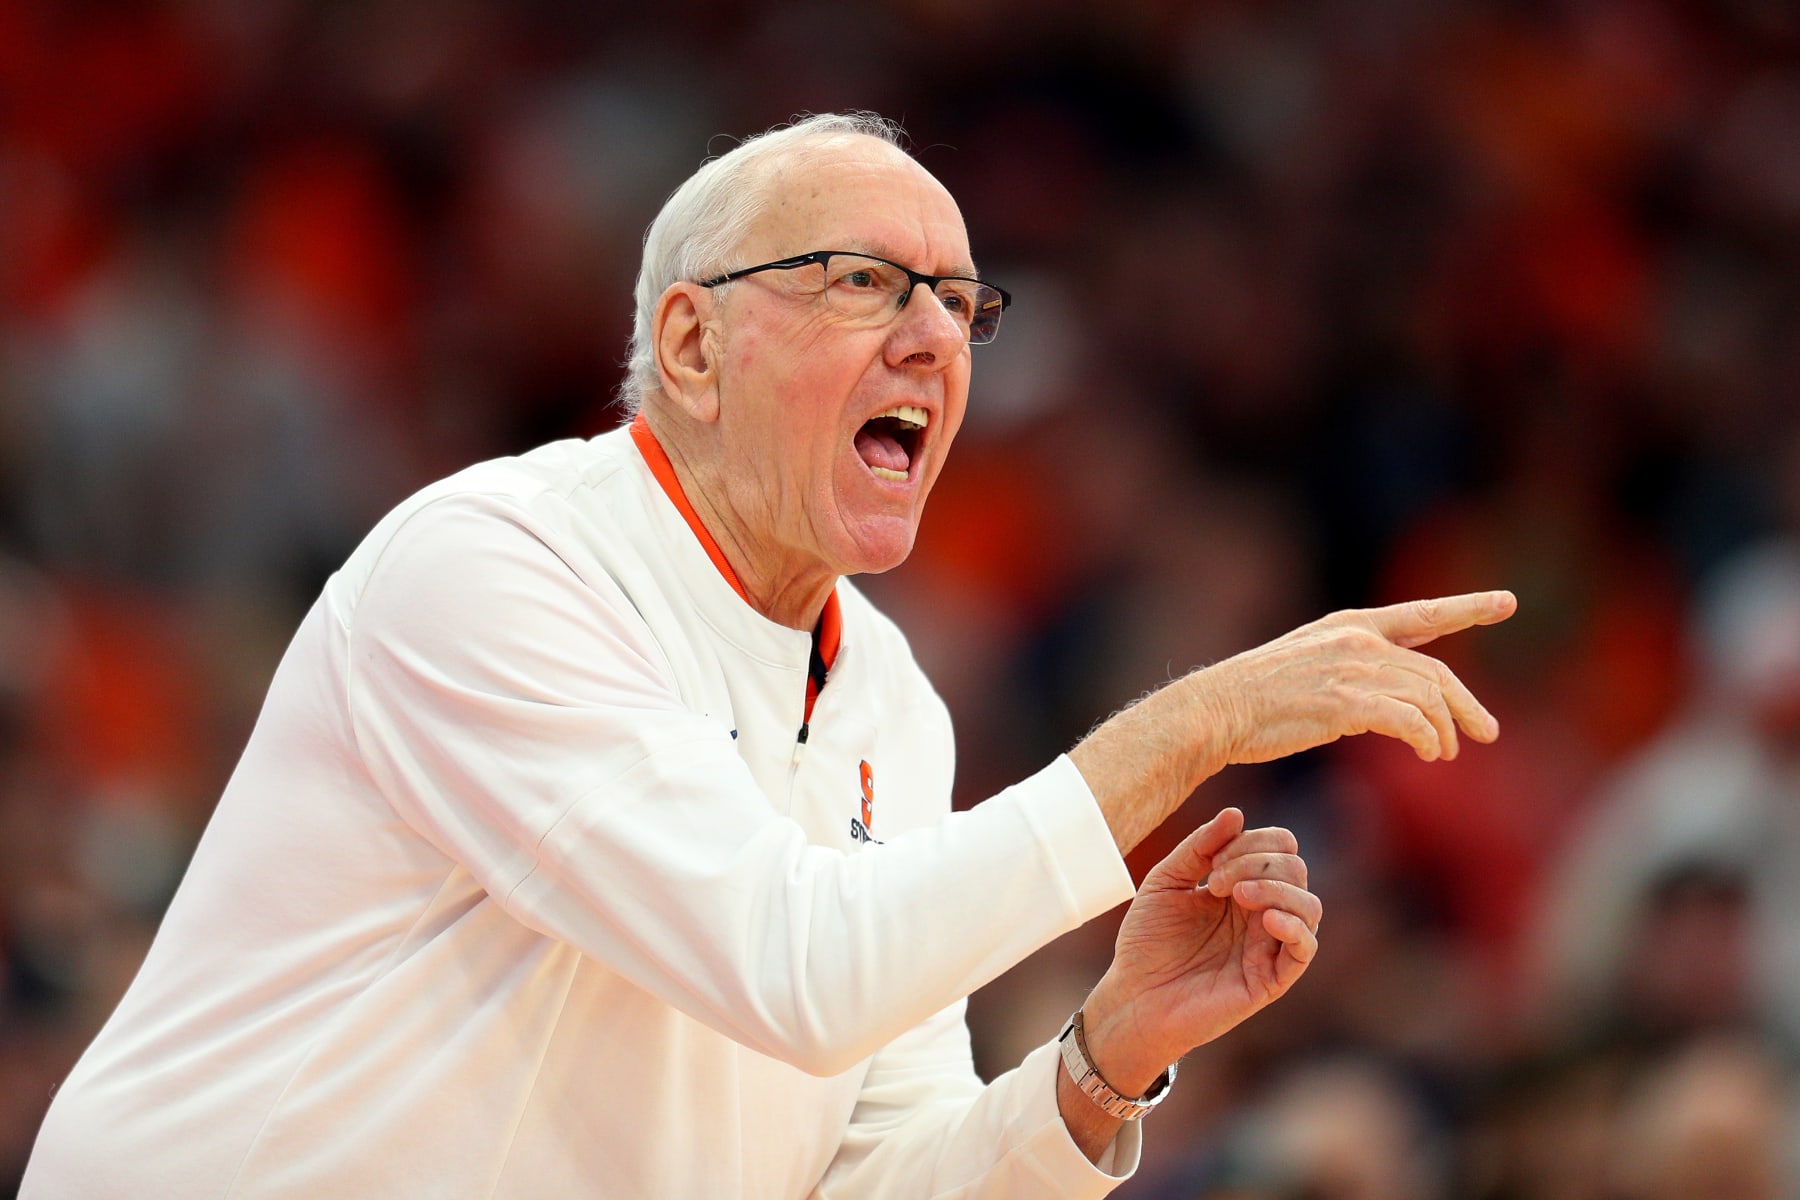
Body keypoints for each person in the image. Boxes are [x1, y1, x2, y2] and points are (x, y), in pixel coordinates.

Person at [22, 112, 1514, 1197]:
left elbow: (873, 1181)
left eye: (961, 302)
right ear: (689, 347)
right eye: (865, 281)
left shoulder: (894, 705)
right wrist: (1194, 726)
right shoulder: (494, 566)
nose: (935, 337)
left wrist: (1100, 1062)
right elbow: (789, 963)